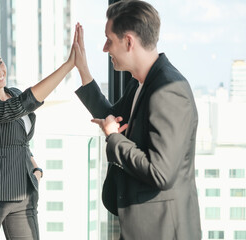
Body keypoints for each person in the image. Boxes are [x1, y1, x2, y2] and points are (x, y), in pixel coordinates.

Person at [73, 1, 201, 239]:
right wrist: (83, 70)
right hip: (141, 226)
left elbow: (161, 173)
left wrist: (113, 137)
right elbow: (111, 117)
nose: (104, 48)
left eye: (109, 39)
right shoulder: (142, 82)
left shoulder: (168, 90)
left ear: (129, 41)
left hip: (162, 231)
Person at [0, 39, 75, 239]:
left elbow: (21, 140)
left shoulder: (13, 93)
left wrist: (35, 170)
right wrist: (67, 67)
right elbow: (16, 108)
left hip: (23, 194)